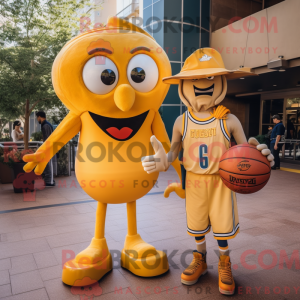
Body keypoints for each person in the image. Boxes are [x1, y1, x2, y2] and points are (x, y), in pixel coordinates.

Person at [142, 48, 274, 296]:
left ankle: (225, 263)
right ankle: (200, 259)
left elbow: (247, 149)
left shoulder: (229, 120)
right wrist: (164, 161)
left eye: (211, 77)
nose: (202, 84)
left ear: (221, 82)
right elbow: (173, 154)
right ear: (184, 85)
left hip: (223, 181)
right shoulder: (182, 122)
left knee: (222, 227)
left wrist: (261, 155)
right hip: (194, 182)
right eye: (195, 79)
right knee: (197, 226)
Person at [36, 111, 55, 186]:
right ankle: (49, 181)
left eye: (37, 118)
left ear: (40, 117)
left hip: (48, 148)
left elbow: (47, 138)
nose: (37, 120)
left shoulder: (45, 125)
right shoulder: (46, 124)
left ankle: (50, 182)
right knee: (48, 164)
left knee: (49, 164)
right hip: (48, 147)